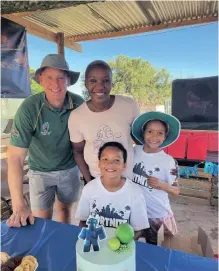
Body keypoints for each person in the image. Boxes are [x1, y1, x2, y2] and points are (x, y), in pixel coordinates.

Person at [7, 54, 84, 227]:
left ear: (68, 81)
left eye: (60, 78)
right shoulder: (29, 108)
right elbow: (15, 157)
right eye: (49, 77)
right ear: (40, 79)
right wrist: (18, 204)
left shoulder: (79, 104)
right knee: (41, 220)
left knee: (65, 214)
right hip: (40, 172)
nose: (55, 84)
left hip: (69, 169)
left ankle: (62, 248)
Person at [68, 60, 140, 183]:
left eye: (105, 80)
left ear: (112, 83)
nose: (100, 86)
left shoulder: (129, 105)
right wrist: (88, 180)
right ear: (85, 83)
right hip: (96, 179)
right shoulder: (76, 116)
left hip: (127, 179)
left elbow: (140, 140)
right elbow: (77, 151)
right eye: (93, 81)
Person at [75, 142, 149, 239]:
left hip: (121, 248)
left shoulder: (135, 192)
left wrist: (123, 243)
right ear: (99, 163)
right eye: (105, 159)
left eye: (117, 160)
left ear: (124, 165)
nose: (110, 163)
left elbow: (138, 229)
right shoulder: (89, 188)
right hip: (96, 244)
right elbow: (83, 222)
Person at [131, 111, 180, 245]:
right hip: (136, 213)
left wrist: (162, 185)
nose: (154, 136)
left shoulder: (168, 161)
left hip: (157, 215)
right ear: (143, 133)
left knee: (155, 251)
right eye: (150, 131)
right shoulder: (134, 151)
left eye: (160, 133)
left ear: (165, 137)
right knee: (127, 245)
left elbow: (176, 191)